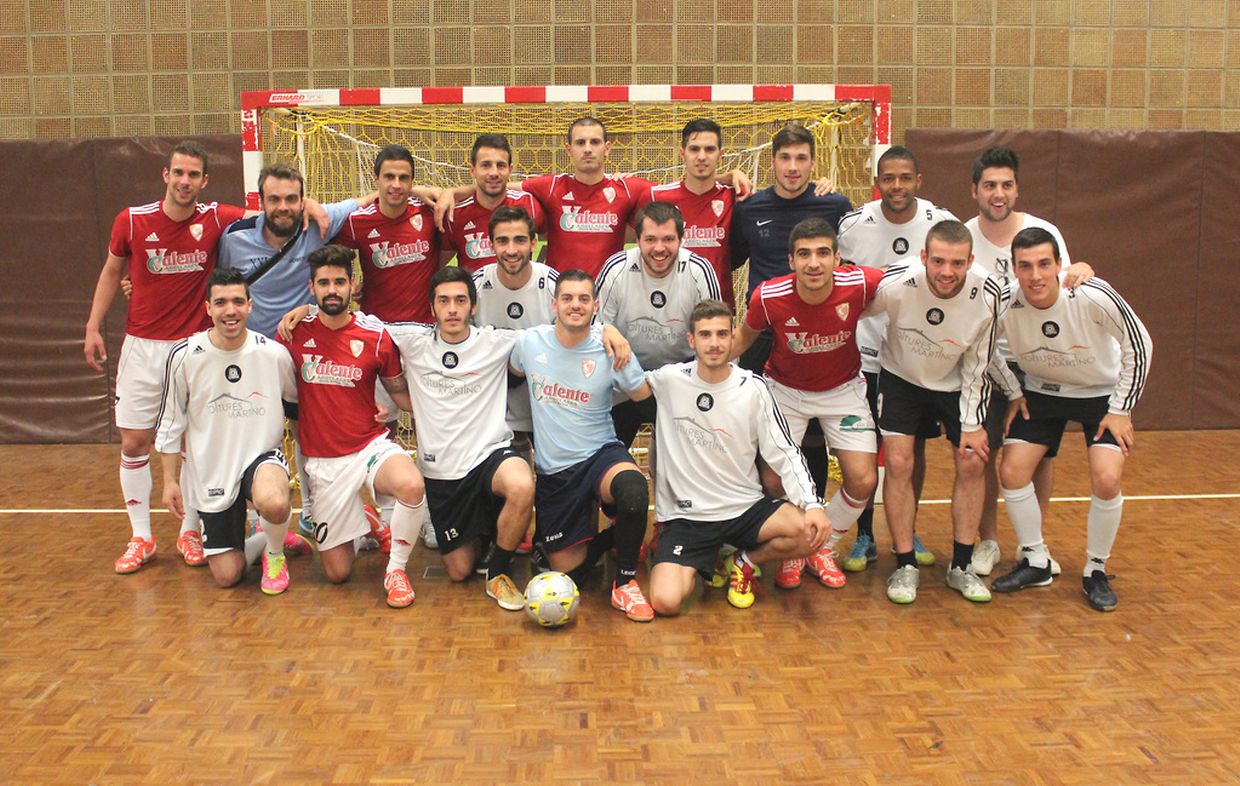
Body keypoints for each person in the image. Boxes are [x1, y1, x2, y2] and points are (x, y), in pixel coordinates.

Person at [84, 141, 247, 574]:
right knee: (135, 441)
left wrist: (324, 206)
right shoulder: (132, 222)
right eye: (179, 172)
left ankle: (190, 531)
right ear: (165, 175)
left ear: (204, 181)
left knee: (194, 443)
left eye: (193, 175)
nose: (185, 181)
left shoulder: (215, 218)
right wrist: (92, 326)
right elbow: (111, 272)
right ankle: (141, 537)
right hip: (142, 347)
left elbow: (271, 213)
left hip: (193, 350)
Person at [989, 228, 1151, 612]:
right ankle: (1036, 560)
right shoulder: (1005, 302)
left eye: (1045, 264)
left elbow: (1139, 343)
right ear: (1014, 269)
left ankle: (1095, 569)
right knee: (1011, 472)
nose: (1036, 275)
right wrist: (1013, 390)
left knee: (1107, 477)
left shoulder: (1092, 294)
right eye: (1025, 266)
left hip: (1100, 396)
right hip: (1043, 393)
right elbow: (984, 349)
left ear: (1060, 265)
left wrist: (1120, 407)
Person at [217, 162, 370, 542]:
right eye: (274, 199)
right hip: (250, 359)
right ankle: (253, 514)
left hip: (303, 355)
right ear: (261, 201)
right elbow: (218, 286)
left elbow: (373, 198)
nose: (283, 206)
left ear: (303, 200)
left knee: (308, 431)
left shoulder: (319, 224)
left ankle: (313, 510)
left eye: (291, 198)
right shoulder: (234, 237)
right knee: (250, 434)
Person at [647, 299, 828, 614]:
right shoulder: (669, 380)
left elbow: (784, 451)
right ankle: (705, 561)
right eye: (705, 335)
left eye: (721, 334)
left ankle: (743, 562)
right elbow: (629, 384)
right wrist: (609, 334)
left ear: (733, 338)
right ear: (691, 340)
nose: (714, 343)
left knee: (811, 532)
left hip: (744, 508)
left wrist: (812, 505)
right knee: (665, 601)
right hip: (689, 518)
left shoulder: (753, 388)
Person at [732, 218, 884, 591]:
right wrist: (700, 375)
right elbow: (740, 340)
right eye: (804, 254)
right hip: (785, 391)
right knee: (772, 480)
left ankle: (819, 549)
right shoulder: (768, 297)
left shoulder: (863, 284)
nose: (813, 263)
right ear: (790, 260)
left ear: (838, 259)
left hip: (843, 389)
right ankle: (793, 550)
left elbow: (911, 280)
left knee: (864, 480)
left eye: (822, 254)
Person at [276, 245, 427, 609]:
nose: (332, 289)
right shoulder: (291, 335)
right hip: (324, 461)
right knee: (338, 572)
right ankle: (370, 519)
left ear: (353, 284)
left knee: (411, 484)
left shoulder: (375, 335)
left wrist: (440, 412)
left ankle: (396, 571)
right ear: (311, 288)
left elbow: (399, 394)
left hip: (369, 444)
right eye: (324, 282)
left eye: (339, 282)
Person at [963, 146, 1089, 577]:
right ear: (974, 190)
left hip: (1037, 362)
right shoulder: (964, 237)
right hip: (983, 363)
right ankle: (989, 542)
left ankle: (1033, 543)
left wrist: (1083, 271)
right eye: (990, 186)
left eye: (1006, 185)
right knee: (982, 455)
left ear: (1017, 189)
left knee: (1039, 457)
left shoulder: (1042, 231)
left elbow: (1069, 286)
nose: (998, 194)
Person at [866, 220, 1007, 605]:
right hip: (900, 378)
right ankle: (905, 562)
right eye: (939, 261)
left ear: (971, 261)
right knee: (897, 463)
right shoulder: (896, 284)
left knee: (973, 461)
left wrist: (975, 425)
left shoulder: (990, 293)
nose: (947, 272)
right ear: (924, 256)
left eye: (958, 263)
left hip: (959, 381)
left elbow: (980, 364)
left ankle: (960, 566)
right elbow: (851, 310)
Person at [383, 267, 537, 611]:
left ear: (473, 306)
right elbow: (359, 328)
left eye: (460, 300)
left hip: (489, 457)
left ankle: (497, 572)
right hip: (443, 474)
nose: (452, 308)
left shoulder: (496, 341)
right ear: (432, 307)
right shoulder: (412, 341)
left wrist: (609, 331)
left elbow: (554, 333)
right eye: (444, 301)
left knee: (522, 485)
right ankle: (488, 531)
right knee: (458, 571)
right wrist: (308, 311)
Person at [835, 145, 957, 572]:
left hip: (914, 361)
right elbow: (839, 280)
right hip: (866, 358)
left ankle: (910, 527)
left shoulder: (941, 223)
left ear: (918, 180)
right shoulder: (853, 226)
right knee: (866, 449)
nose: (897, 186)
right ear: (877, 183)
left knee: (912, 450)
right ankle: (864, 534)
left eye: (905, 178)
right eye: (888, 179)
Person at [508, 270, 655, 622]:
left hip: (600, 453)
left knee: (634, 490)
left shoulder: (610, 349)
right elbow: (510, 376)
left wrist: (619, 342)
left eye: (584, 299)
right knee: (571, 576)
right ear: (554, 303)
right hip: (556, 472)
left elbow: (645, 400)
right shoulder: (529, 344)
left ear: (595, 306)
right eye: (568, 298)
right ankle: (612, 536)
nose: (576, 305)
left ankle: (625, 584)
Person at [437, 117, 751, 277]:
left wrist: (725, 177)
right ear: (569, 149)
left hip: (608, 298)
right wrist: (451, 192)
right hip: (560, 298)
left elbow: (680, 187)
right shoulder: (550, 186)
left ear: (607, 148)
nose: (588, 148)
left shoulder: (630, 189)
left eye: (595, 141)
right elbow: (499, 182)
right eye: (581, 142)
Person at [730, 123, 854, 500]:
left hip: (815, 336)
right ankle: (757, 518)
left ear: (813, 163)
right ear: (772, 163)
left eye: (801, 158)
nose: (793, 167)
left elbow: (850, 265)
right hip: (762, 334)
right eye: (785, 157)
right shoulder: (750, 209)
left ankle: (810, 516)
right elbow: (731, 259)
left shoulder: (835, 206)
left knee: (812, 435)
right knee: (753, 428)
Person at [155, 268, 298, 594]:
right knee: (227, 575)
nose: (230, 310)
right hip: (213, 473)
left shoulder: (273, 354)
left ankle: (275, 555)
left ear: (250, 305)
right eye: (220, 303)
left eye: (237, 301)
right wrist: (169, 481)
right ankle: (269, 536)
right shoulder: (184, 356)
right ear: (207, 308)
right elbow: (170, 423)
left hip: (262, 460)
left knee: (275, 502)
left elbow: (298, 410)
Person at [596, 201, 722, 448]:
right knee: (604, 454)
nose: (659, 248)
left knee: (683, 459)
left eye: (668, 239)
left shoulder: (699, 270)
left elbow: (716, 337)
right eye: (650, 239)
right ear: (638, 239)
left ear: (681, 239)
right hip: (624, 376)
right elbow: (593, 332)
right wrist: (605, 331)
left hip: (682, 378)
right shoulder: (616, 269)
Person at [471, 206, 558, 555]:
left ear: (534, 243)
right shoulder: (475, 287)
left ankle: (549, 534)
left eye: (520, 240)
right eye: (503, 241)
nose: (511, 249)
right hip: (498, 407)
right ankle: (503, 532)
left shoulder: (551, 284)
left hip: (545, 403)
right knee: (507, 476)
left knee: (552, 475)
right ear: (490, 244)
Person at [644, 119, 740, 308]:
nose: (702, 156)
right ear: (682, 153)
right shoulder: (657, 196)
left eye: (710, 150)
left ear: (721, 155)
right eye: (694, 149)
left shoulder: (733, 197)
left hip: (717, 309)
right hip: (666, 307)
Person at [442, 134, 547, 272]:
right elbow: (435, 265)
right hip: (477, 293)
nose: (494, 172)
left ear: (510, 170)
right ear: (472, 170)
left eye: (500, 165)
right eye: (486, 165)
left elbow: (556, 241)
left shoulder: (528, 204)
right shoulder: (455, 214)